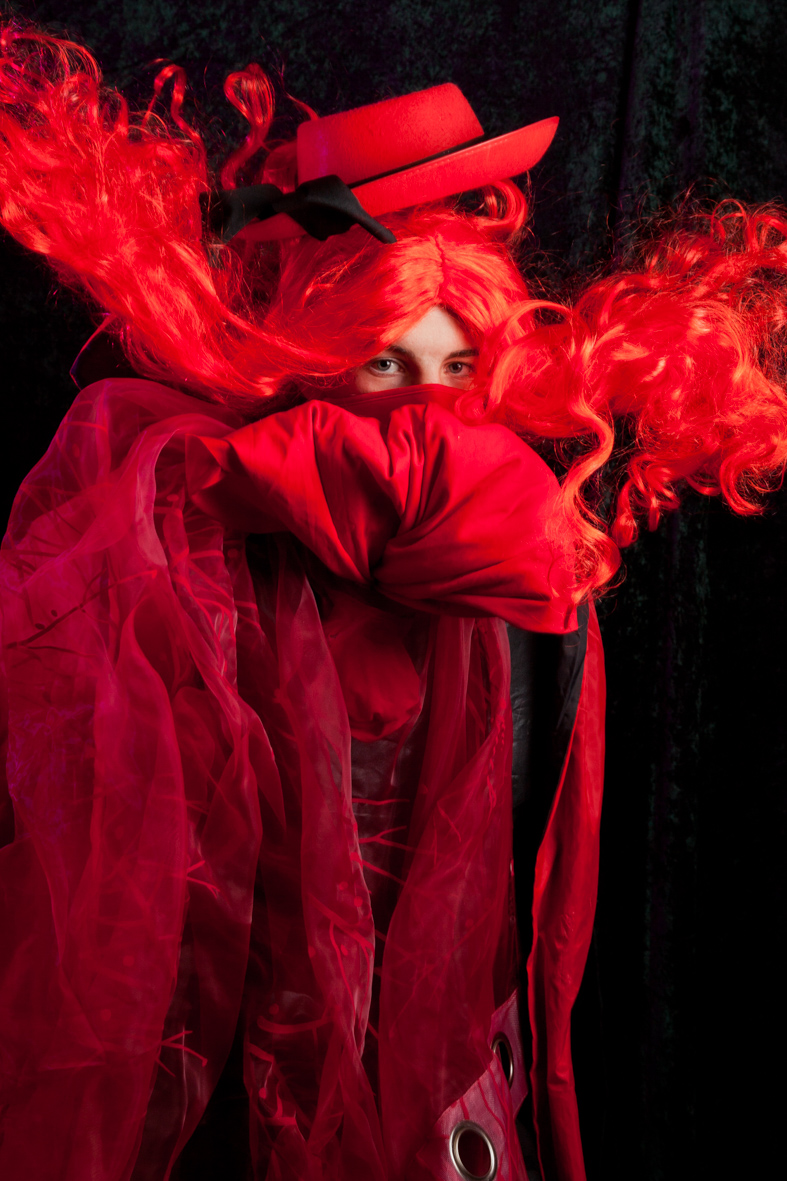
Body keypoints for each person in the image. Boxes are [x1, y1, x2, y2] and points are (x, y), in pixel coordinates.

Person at [2, 22, 787, 1181]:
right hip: (243, 1080)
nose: (423, 404)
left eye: (452, 365)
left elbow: (536, 885)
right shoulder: (207, 528)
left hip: (447, 1083)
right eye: (389, 366)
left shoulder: (525, 567)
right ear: (321, 360)